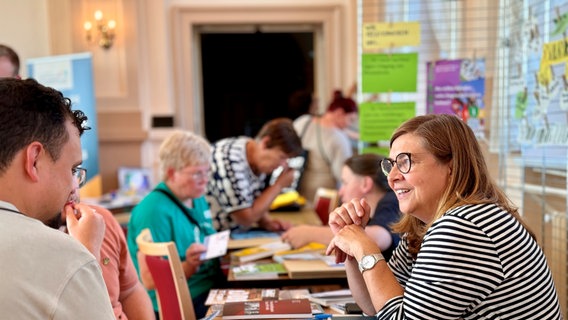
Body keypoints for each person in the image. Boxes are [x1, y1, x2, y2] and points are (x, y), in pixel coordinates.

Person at [325, 114, 563, 319]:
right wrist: (353, 244)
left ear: (452, 166)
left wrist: (366, 248)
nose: (392, 176)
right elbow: (374, 307)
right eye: (391, 164)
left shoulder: (463, 225)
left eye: (406, 162)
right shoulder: (427, 225)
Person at [0, 78, 114, 319]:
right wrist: (84, 257)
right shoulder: (66, 257)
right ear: (34, 160)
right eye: (72, 169)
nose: (75, 185)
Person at [127, 130, 224, 319]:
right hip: (181, 300)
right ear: (172, 173)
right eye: (197, 174)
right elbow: (150, 280)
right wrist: (188, 265)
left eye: (207, 172)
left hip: (209, 285)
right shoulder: (153, 211)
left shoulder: (196, 196)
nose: (205, 181)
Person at [57, 184, 155, 320]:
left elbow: (130, 291)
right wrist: (88, 252)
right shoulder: (31, 243)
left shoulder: (100, 219)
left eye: (75, 170)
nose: (74, 186)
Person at [281, 153, 400, 261]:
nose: (341, 191)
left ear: (365, 184)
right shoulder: (371, 210)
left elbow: (378, 238)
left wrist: (309, 233)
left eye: (345, 182)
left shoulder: (391, 201)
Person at [207, 117, 304, 232]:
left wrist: (267, 222)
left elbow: (251, 200)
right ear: (265, 143)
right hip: (214, 238)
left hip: (235, 234)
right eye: (281, 157)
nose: (282, 165)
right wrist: (279, 185)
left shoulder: (253, 153)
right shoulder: (229, 160)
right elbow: (246, 218)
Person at [293, 89, 358, 202]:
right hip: (323, 200)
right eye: (350, 119)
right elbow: (344, 175)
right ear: (339, 113)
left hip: (296, 194)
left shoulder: (302, 122)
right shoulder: (339, 139)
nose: (349, 124)